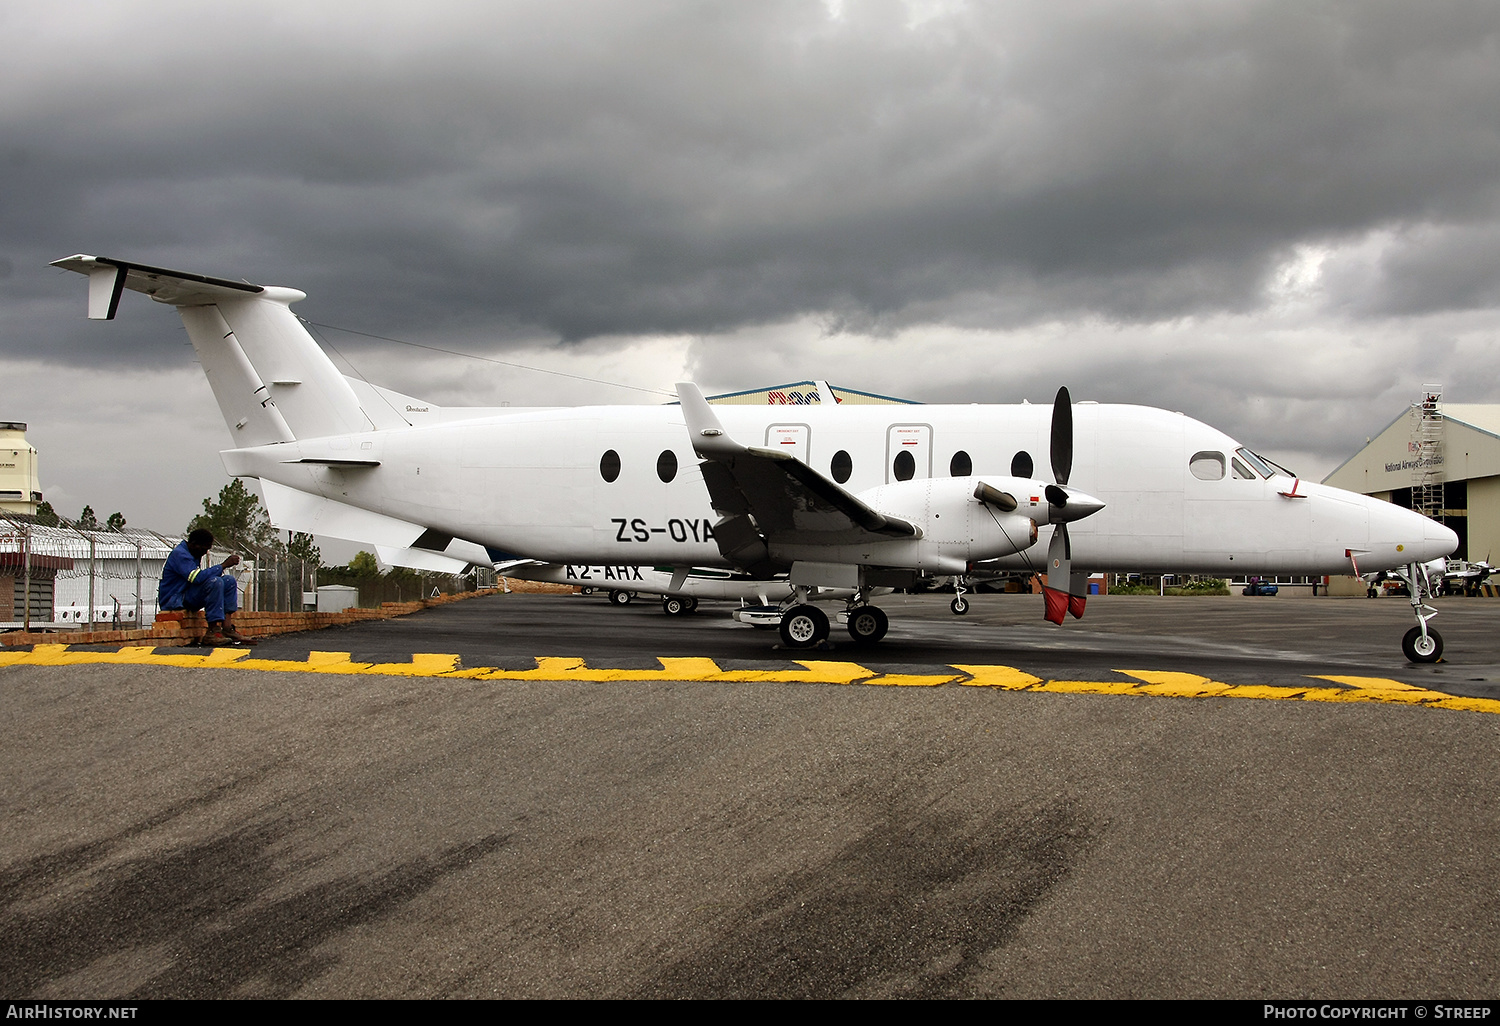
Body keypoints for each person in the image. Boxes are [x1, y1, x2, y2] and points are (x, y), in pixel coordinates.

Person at [159, 528, 254, 645]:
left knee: (229, 581)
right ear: (194, 544)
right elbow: (196, 578)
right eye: (204, 548)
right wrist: (223, 565)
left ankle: (227, 628)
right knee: (215, 582)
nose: (205, 552)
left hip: (188, 594)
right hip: (176, 599)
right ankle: (213, 631)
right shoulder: (180, 554)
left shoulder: (193, 553)